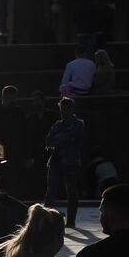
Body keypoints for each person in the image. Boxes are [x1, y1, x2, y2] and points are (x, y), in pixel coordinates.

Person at [44, 97, 85, 228]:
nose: (63, 112)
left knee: (72, 192)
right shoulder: (57, 124)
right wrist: (61, 139)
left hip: (70, 162)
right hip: (56, 161)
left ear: (72, 109)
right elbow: (48, 140)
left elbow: (72, 137)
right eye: (61, 109)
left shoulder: (78, 123)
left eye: (66, 109)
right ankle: (46, 220)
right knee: (50, 192)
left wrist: (59, 138)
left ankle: (71, 220)